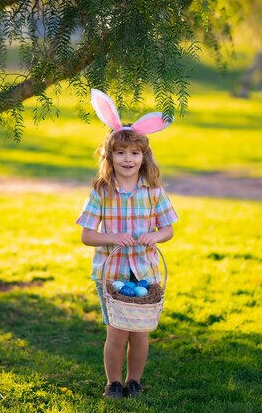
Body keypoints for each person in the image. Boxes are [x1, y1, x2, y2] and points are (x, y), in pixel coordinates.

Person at [76, 89, 178, 399]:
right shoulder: (102, 192)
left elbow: (168, 230)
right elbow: (87, 234)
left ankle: (134, 381)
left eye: (134, 153)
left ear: (143, 156)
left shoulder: (154, 192)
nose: (128, 159)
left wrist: (154, 236)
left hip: (146, 271)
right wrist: (112, 238)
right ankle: (113, 383)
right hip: (112, 273)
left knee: (140, 333)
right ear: (110, 157)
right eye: (120, 153)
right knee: (117, 333)